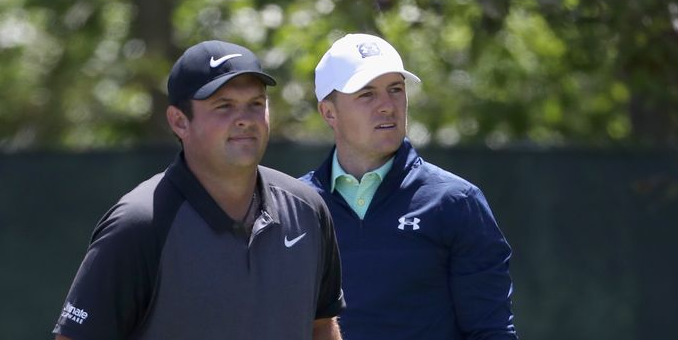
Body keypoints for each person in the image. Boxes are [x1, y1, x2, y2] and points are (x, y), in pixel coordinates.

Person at [52, 40, 345, 340]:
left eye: (255, 104)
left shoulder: (307, 209)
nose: (245, 119)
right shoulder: (138, 224)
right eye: (224, 106)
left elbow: (321, 325)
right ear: (179, 121)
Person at [300, 33, 518, 339]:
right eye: (367, 94)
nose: (387, 106)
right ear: (329, 112)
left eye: (396, 90)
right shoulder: (296, 206)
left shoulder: (456, 201)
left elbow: (491, 330)